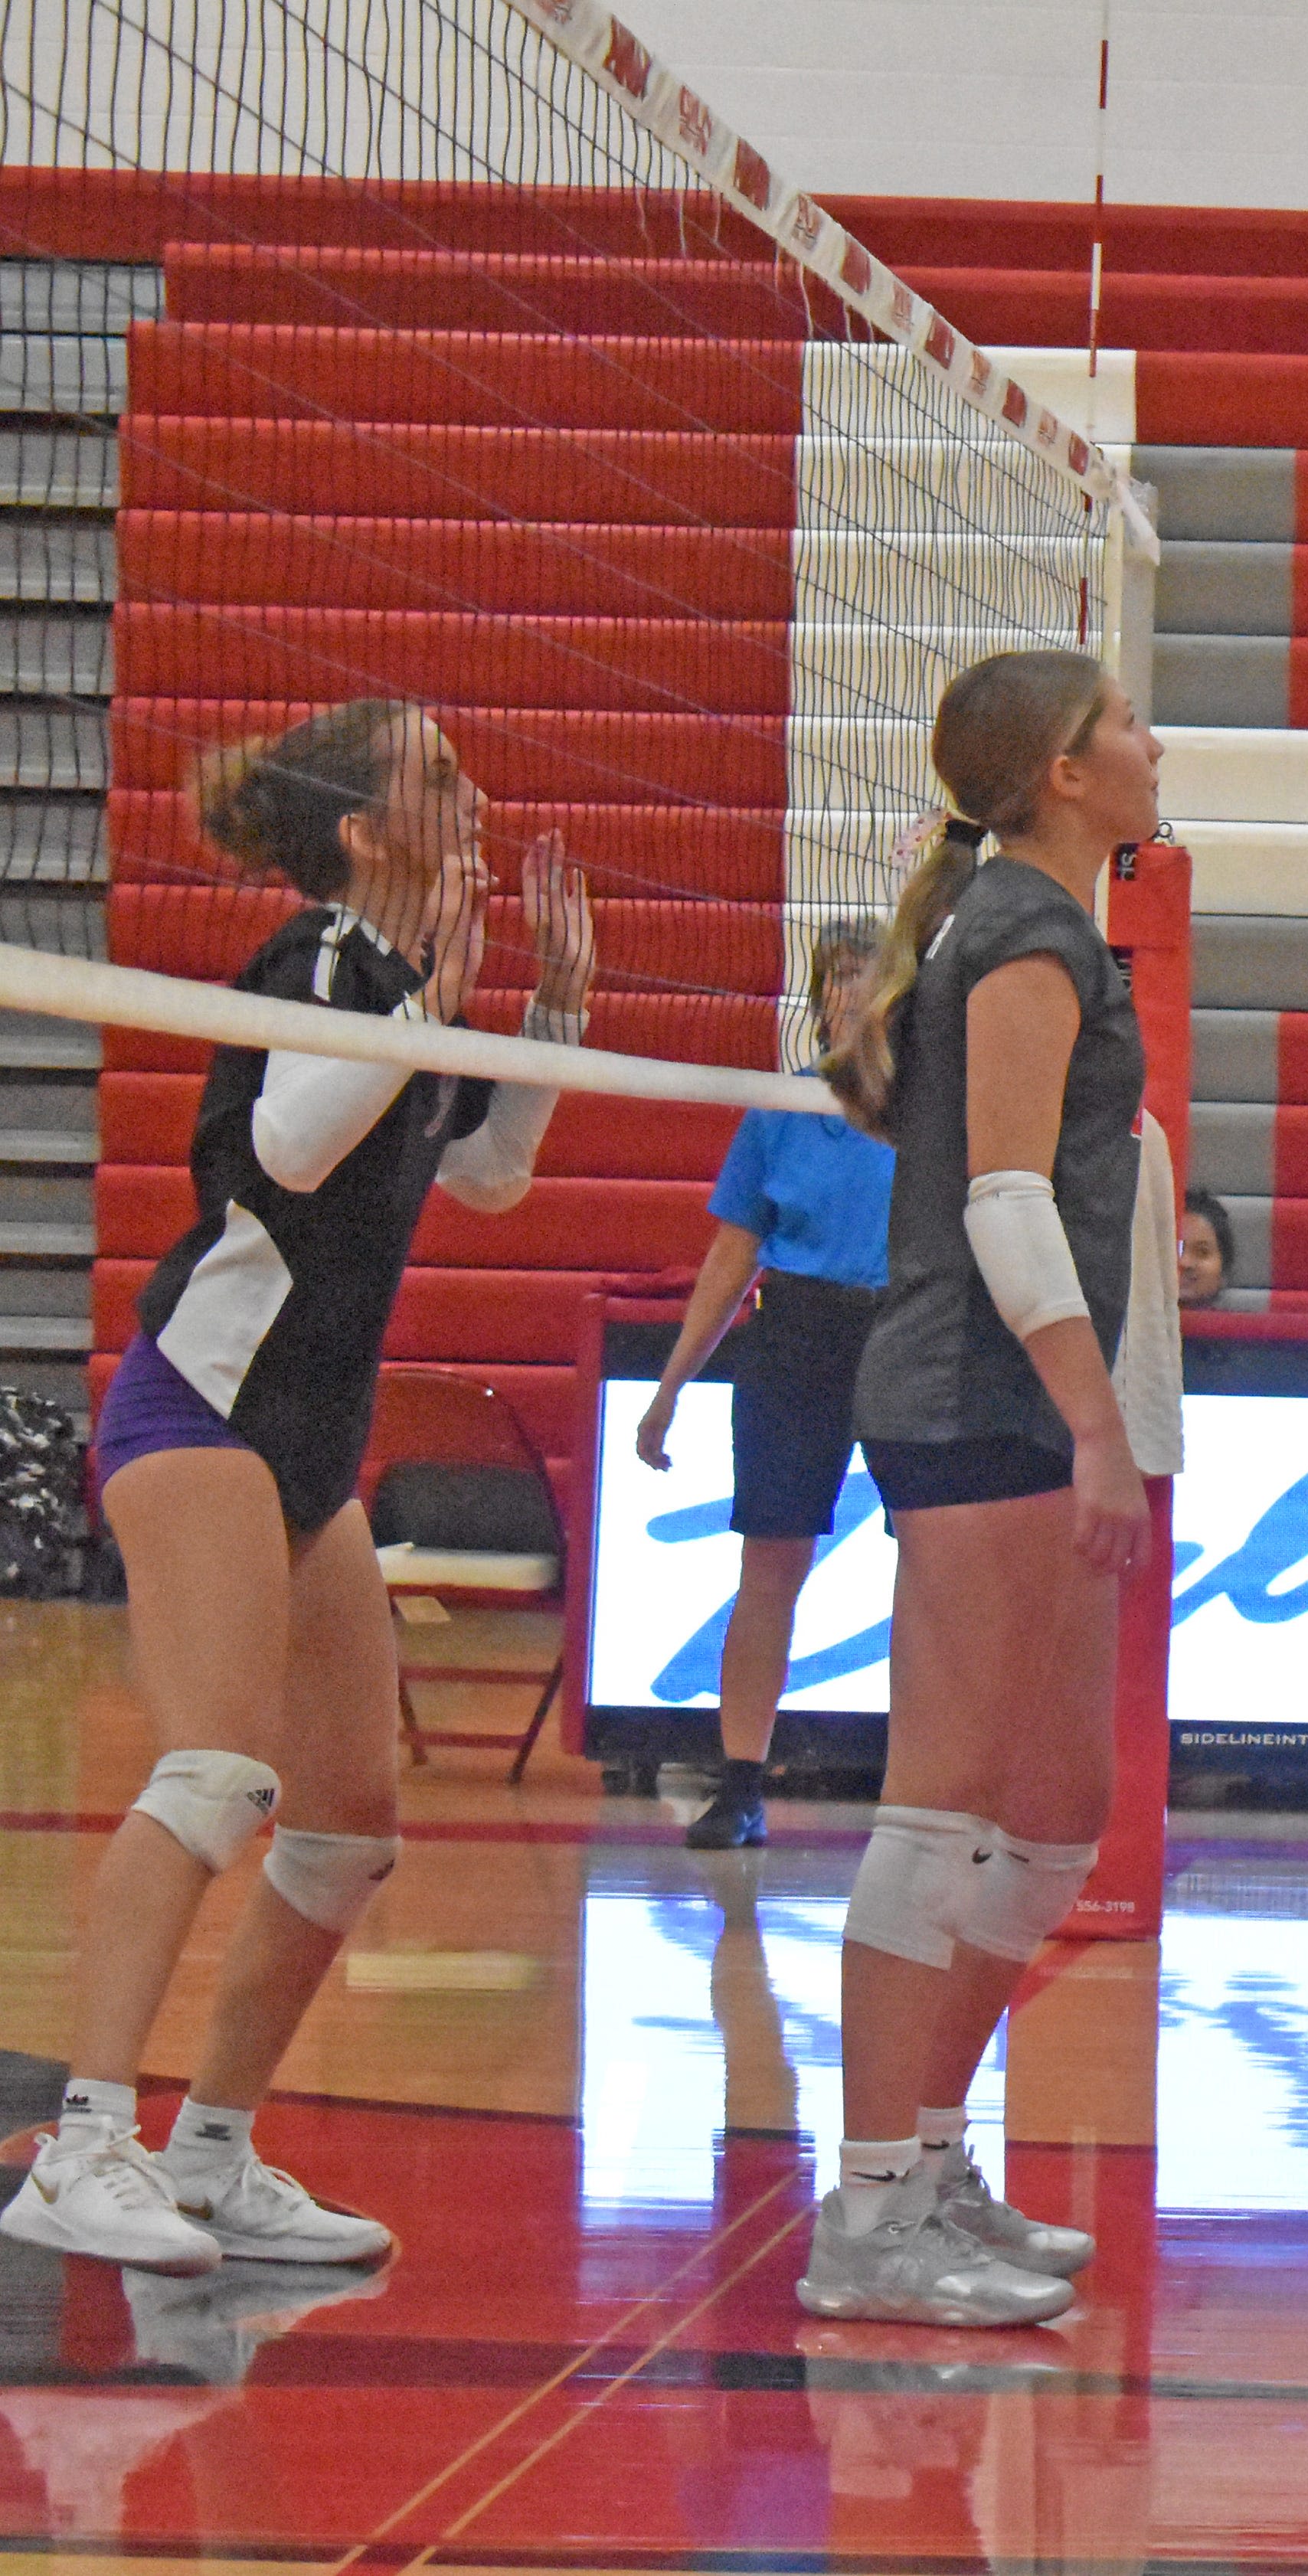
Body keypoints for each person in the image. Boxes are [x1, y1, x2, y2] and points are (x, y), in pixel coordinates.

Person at [3, 699, 594, 2276]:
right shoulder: (331, 957)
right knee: (215, 1772)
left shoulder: (399, 986)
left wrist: (541, 1032)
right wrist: (438, 995)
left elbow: (485, 1173)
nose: (473, 801)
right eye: (438, 782)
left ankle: (209, 2153)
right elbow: (289, 1147)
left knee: (348, 1827)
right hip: (199, 1403)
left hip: (311, 1443)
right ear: (362, 832)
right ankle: (80, 2147)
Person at [809, 648, 1176, 2327]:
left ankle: (932, 2151)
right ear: (1060, 775)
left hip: (1019, 1396)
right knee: (944, 1804)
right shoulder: (1025, 931)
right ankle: (867, 2209)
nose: (1151, 744)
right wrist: (1099, 1425)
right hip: (984, 1395)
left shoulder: (1037, 920)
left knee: (1055, 1808)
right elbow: (1003, 1200)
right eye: (1124, 727)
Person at [636, 918, 894, 1850]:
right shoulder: (780, 1105)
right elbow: (729, 1257)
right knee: (769, 1563)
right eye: (837, 979)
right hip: (795, 1335)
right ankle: (741, 1782)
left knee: (940, 1566)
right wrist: (669, 1388)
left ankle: (929, 1794)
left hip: (906, 1331)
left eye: (867, 977)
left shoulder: (935, 1107)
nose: (849, 995)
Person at [1179, 1185, 1234, 1310]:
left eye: (1202, 1252)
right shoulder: (1127, 1328)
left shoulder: (1243, 1328)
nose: (1185, 1262)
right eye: (1175, 1250)